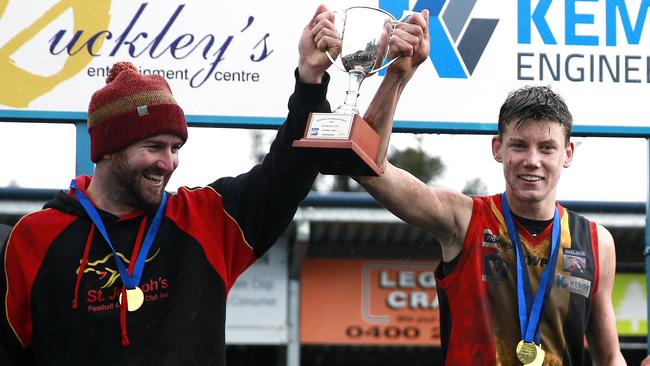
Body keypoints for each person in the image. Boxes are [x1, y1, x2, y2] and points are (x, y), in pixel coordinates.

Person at [0, 4, 428, 366]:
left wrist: (309, 80)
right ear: (108, 150)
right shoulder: (34, 238)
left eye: (176, 147)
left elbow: (286, 174)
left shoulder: (204, 219)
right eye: (154, 146)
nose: (168, 163)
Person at [355, 20, 626, 366]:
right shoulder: (463, 218)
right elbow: (369, 171)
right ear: (498, 148)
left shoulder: (596, 242)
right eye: (519, 145)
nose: (532, 161)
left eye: (546, 148)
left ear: (567, 154)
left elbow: (609, 356)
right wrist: (397, 76)